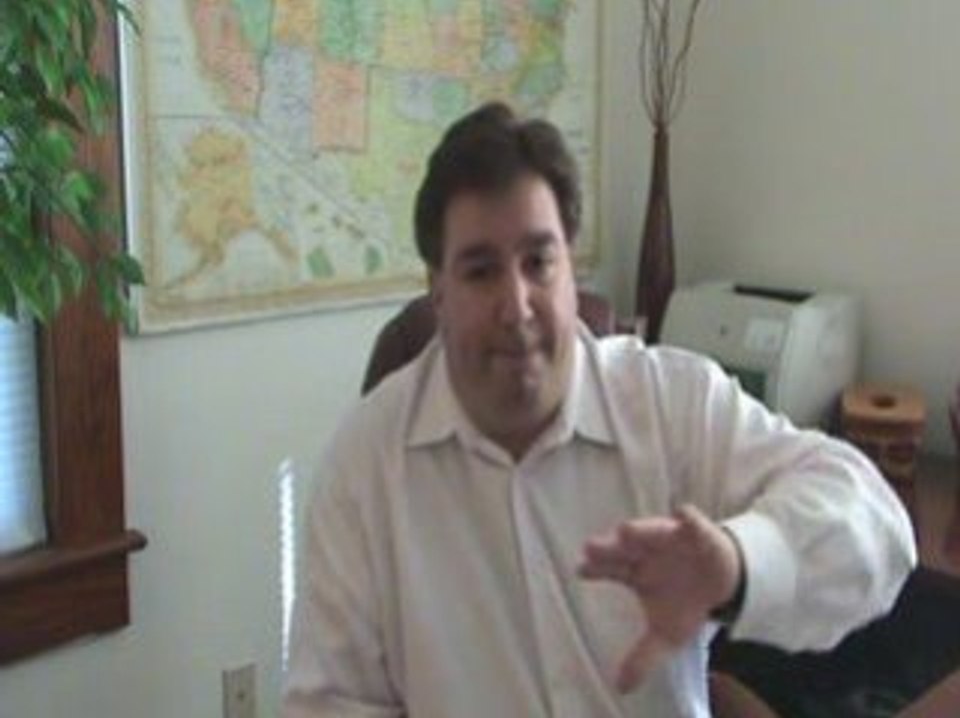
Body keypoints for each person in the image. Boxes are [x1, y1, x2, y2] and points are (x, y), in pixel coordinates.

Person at [282, 102, 915, 717]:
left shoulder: (671, 403)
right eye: (480, 270)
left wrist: (736, 564)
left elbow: (876, 525)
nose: (516, 305)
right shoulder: (365, 465)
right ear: (438, 291)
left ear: (571, 272)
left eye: (538, 262)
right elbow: (332, 703)